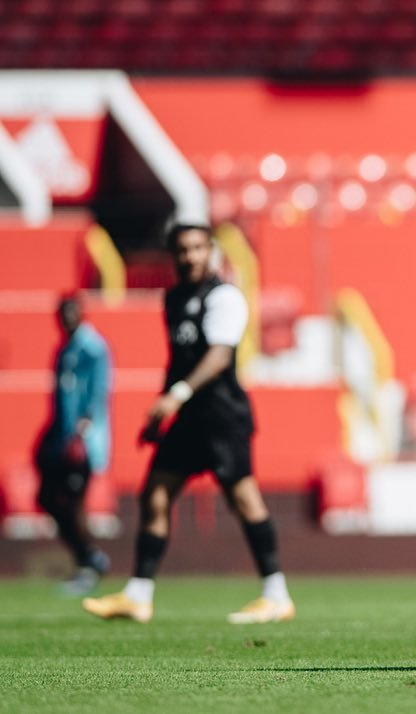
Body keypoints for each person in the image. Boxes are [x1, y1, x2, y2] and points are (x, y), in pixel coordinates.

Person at [83, 224, 295, 624]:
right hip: (189, 417)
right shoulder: (175, 297)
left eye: (199, 248)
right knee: (156, 493)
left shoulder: (225, 297)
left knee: (243, 500)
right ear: (173, 254)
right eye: (183, 249)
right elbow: (177, 361)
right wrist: (160, 415)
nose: (191, 256)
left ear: (211, 251)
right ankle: (138, 595)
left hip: (222, 416)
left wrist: (175, 395)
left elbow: (217, 358)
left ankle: (276, 593)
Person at [34, 294, 112, 596]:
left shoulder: (92, 348)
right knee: (48, 498)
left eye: (71, 314)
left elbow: (97, 391)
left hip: (82, 443)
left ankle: (88, 565)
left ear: (81, 315)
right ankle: (88, 556)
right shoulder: (64, 349)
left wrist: (82, 431)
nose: (67, 320)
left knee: (74, 502)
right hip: (62, 440)